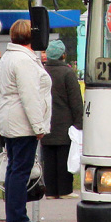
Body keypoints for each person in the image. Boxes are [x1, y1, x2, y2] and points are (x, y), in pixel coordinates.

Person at [0, 19, 50, 222]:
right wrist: (38, 126)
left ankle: (13, 214)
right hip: (22, 121)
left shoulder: (9, 57)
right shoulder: (24, 61)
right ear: (31, 36)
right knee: (21, 169)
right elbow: (30, 96)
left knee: (13, 168)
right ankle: (19, 214)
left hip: (11, 119)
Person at [42, 39, 83, 199]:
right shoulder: (67, 73)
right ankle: (65, 190)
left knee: (49, 159)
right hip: (64, 123)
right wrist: (79, 123)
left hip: (45, 122)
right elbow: (75, 100)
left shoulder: (42, 71)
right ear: (63, 55)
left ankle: (51, 191)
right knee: (64, 157)